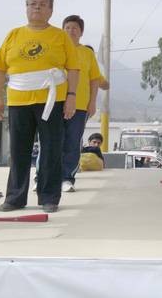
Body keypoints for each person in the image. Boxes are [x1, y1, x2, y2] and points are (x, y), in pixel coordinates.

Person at [0, 0, 79, 214]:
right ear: (26, 8)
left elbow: (73, 68)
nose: (37, 8)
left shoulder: (60, 36)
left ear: (51, 10)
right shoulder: (14, 34)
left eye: (42, 5)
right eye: (32, 4)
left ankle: (49, 197)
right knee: (18, 149)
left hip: (52, 100)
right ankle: (15, 197)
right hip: (19, 99)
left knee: (51, 149)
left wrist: (71, 96)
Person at [60, 15, 101, 192]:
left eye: (75, 28)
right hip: (55, 103)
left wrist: (92, 102)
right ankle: (42, 176)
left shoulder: (87, 53)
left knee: (72, 141)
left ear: (81, 32)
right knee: (50, 141)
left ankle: (67, 178)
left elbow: (95, 79)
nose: (71, 30)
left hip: (80, 105)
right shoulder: (56, 49)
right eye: (67, 27)